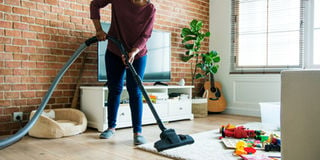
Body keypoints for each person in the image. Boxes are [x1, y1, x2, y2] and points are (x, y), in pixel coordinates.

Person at [90, 0, 156, 145]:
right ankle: (111, 127)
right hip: (115, 50)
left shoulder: (150, 9)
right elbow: (94, 4)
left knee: (135, 90)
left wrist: (133, 51)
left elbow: (145, 35)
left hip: (138, 55)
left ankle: (137, 132)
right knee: (114, 89)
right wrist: (99, 30)